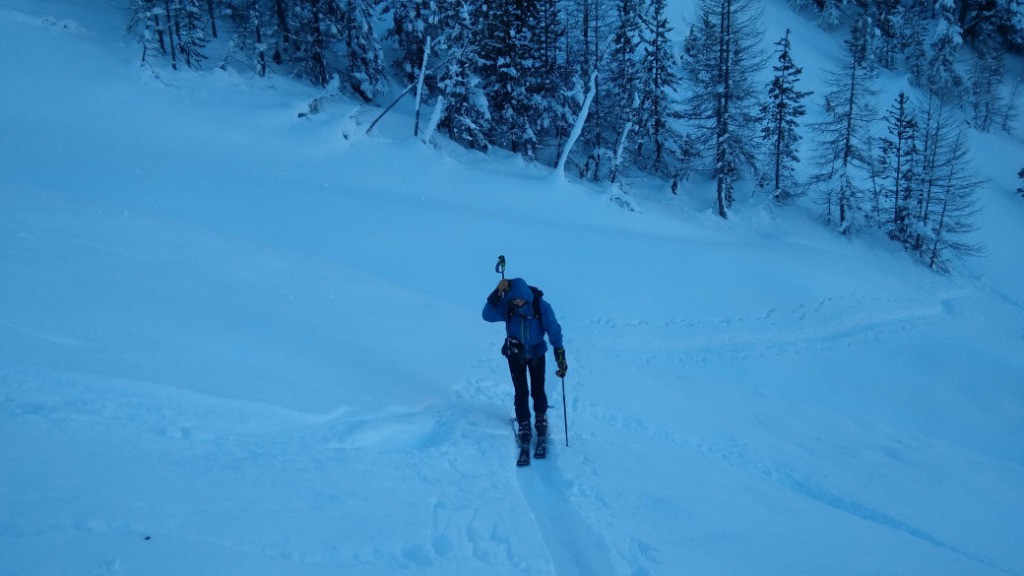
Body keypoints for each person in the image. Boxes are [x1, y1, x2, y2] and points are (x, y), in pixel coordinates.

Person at [482, 277, 567, 449]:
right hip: (515, 353)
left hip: (536, 353)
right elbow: (487, 315)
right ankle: (524, 424)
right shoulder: (508, 307)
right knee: (521, 391)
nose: (517, 303)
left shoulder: (540, 306)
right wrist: (497, 293)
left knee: (538, 390)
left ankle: (541, 420)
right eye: (513, 300)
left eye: (519, 299)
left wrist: (559, 353)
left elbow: (553, 329)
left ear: (525, 295)